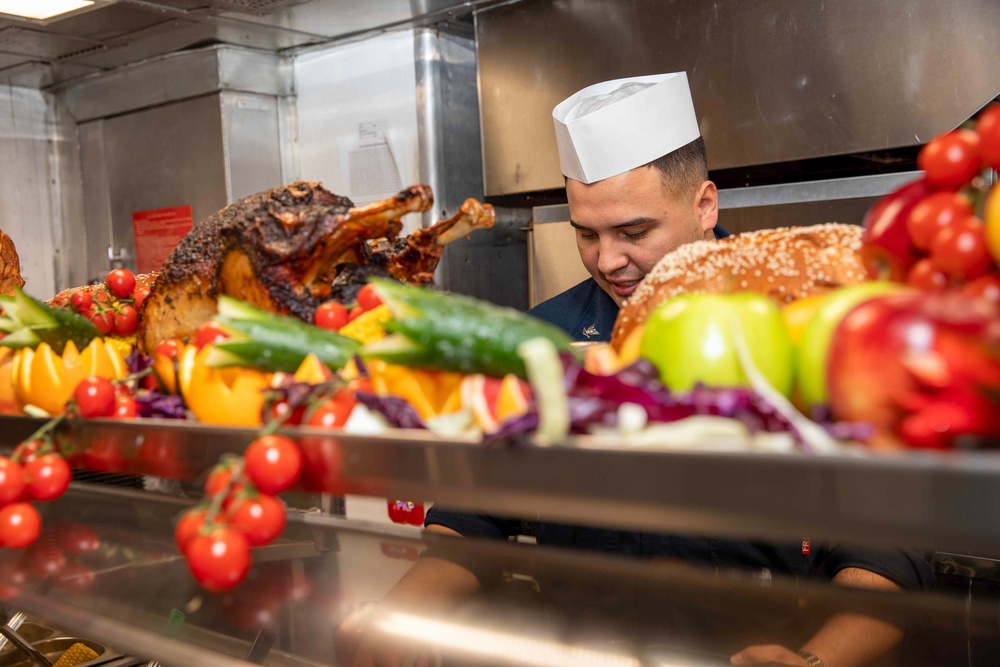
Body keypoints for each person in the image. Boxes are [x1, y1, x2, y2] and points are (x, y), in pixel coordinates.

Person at [348, 73, 934, 667]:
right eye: (586, 234)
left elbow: (890, 542)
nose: (608, 261)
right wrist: (401, 617)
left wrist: (815, 661)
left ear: (704, 204)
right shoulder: (546, 336)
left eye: (634, 232)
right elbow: (474, 513)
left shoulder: (802, 325)